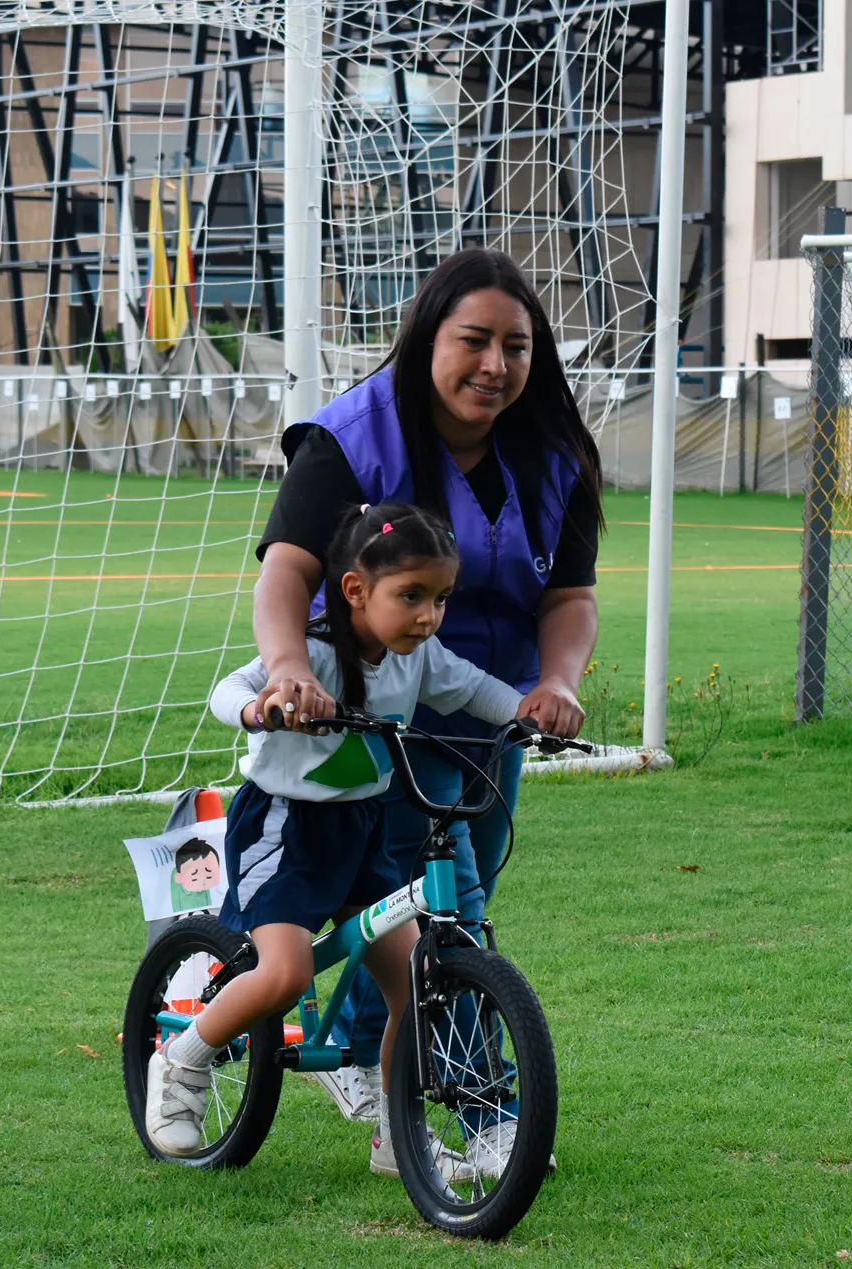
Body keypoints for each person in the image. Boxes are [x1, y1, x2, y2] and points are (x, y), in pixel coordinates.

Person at [249, 248, 601, 1148]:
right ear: (426, 338)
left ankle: (372, 1067)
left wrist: (554, 683)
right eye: (474, 340)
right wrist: (289, 665)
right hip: (373, 714)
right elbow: (287, 570)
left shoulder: (554, 453)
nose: (495, 365)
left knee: (420, 908)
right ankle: (481, 1112)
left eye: (516, 346)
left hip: (488, 716)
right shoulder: (352, 437)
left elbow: (569, 596)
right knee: (455, 909)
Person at [144, 503, 530, 1177]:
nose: (428, 615)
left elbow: (471, 688)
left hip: (363, 827)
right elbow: (230, 687)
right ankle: (179, 1062)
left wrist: (529, 709)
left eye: (440, 599)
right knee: (286, 972)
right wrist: (259, 706)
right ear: (356, 591)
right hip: (284, 828)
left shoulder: (419, 659)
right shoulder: (313, 650)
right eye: (411, 596)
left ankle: (395, 1131)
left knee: (413, 985)